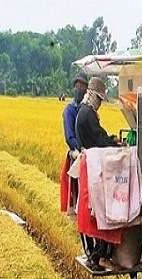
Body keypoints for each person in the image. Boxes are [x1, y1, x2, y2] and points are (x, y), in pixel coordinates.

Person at [75, 76, 123, 271]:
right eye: (100, 99)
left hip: (87, 167)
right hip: (94, 169)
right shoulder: (88, 114)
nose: (101, 103)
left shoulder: (82, 112)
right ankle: (102, 255)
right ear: (93, 96)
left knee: (90, 210)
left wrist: (108, 138)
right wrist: (114, 143)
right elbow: (99, 139)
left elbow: (98, 135)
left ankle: (94, 254)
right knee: (104, 211)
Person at [60, 72, 88, 217]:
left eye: (82, 85)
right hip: (77, 153)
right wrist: (81, 148)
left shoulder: (86, 110)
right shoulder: (70, 110)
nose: (79, 88)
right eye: (77, 85)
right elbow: (69, 137)